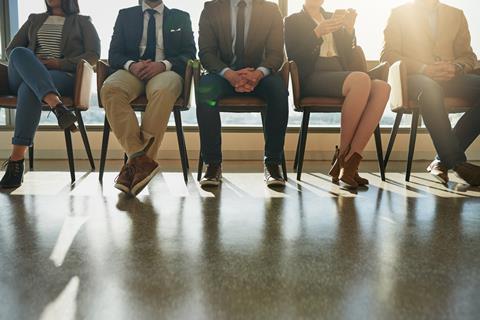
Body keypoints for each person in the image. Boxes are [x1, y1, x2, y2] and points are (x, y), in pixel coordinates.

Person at [285, 0, 390, 188]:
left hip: (341, 75)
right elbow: (294, 56)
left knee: (382, 88)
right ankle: (345, 160)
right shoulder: (293, 21)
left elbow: (348, 57)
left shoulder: (332, 17)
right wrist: (317, 32)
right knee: (360, 80)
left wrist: (349, 29)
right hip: (313, 76)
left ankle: (350, 160)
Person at [0, 0, 100, 189]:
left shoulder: (83, 22)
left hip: (60, 76)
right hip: (23, 74)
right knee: (20, 52)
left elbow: (93, 55)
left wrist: (57, 63)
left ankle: (16, 162)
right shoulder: (34, 19)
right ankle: (57, 105)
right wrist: (34, 63)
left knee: (29, 89)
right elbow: (11, 50)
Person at [101, 0, 196, 196]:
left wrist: (163, 65)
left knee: (163, 91)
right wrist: (131, 65)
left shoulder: (181, 17)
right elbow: (114, 53)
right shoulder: (125, 15)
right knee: (110, 88)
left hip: (166, 72)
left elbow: (189, 54)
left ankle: (133, 166)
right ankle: (141, 160)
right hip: (132, 71)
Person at [381, 0, 480, 185]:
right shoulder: (399, 13)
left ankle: (443, 160)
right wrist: (424, 68)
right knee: (430, 89)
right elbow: (388, 54)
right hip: (415, 77)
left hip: (450, 75)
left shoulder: (456, 14)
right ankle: (457, 163)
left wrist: (456, 67)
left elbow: (468, 56)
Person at [197, 0, 289, 187]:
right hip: (222, 74)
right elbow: (206, 53)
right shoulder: (212, 8)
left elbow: (276, 54)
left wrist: (257, 74)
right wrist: (229, 74)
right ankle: (213, 164)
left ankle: (272, 164)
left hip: (260, 74)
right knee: (205, 93)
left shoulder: (271, 10)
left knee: (278, 91)